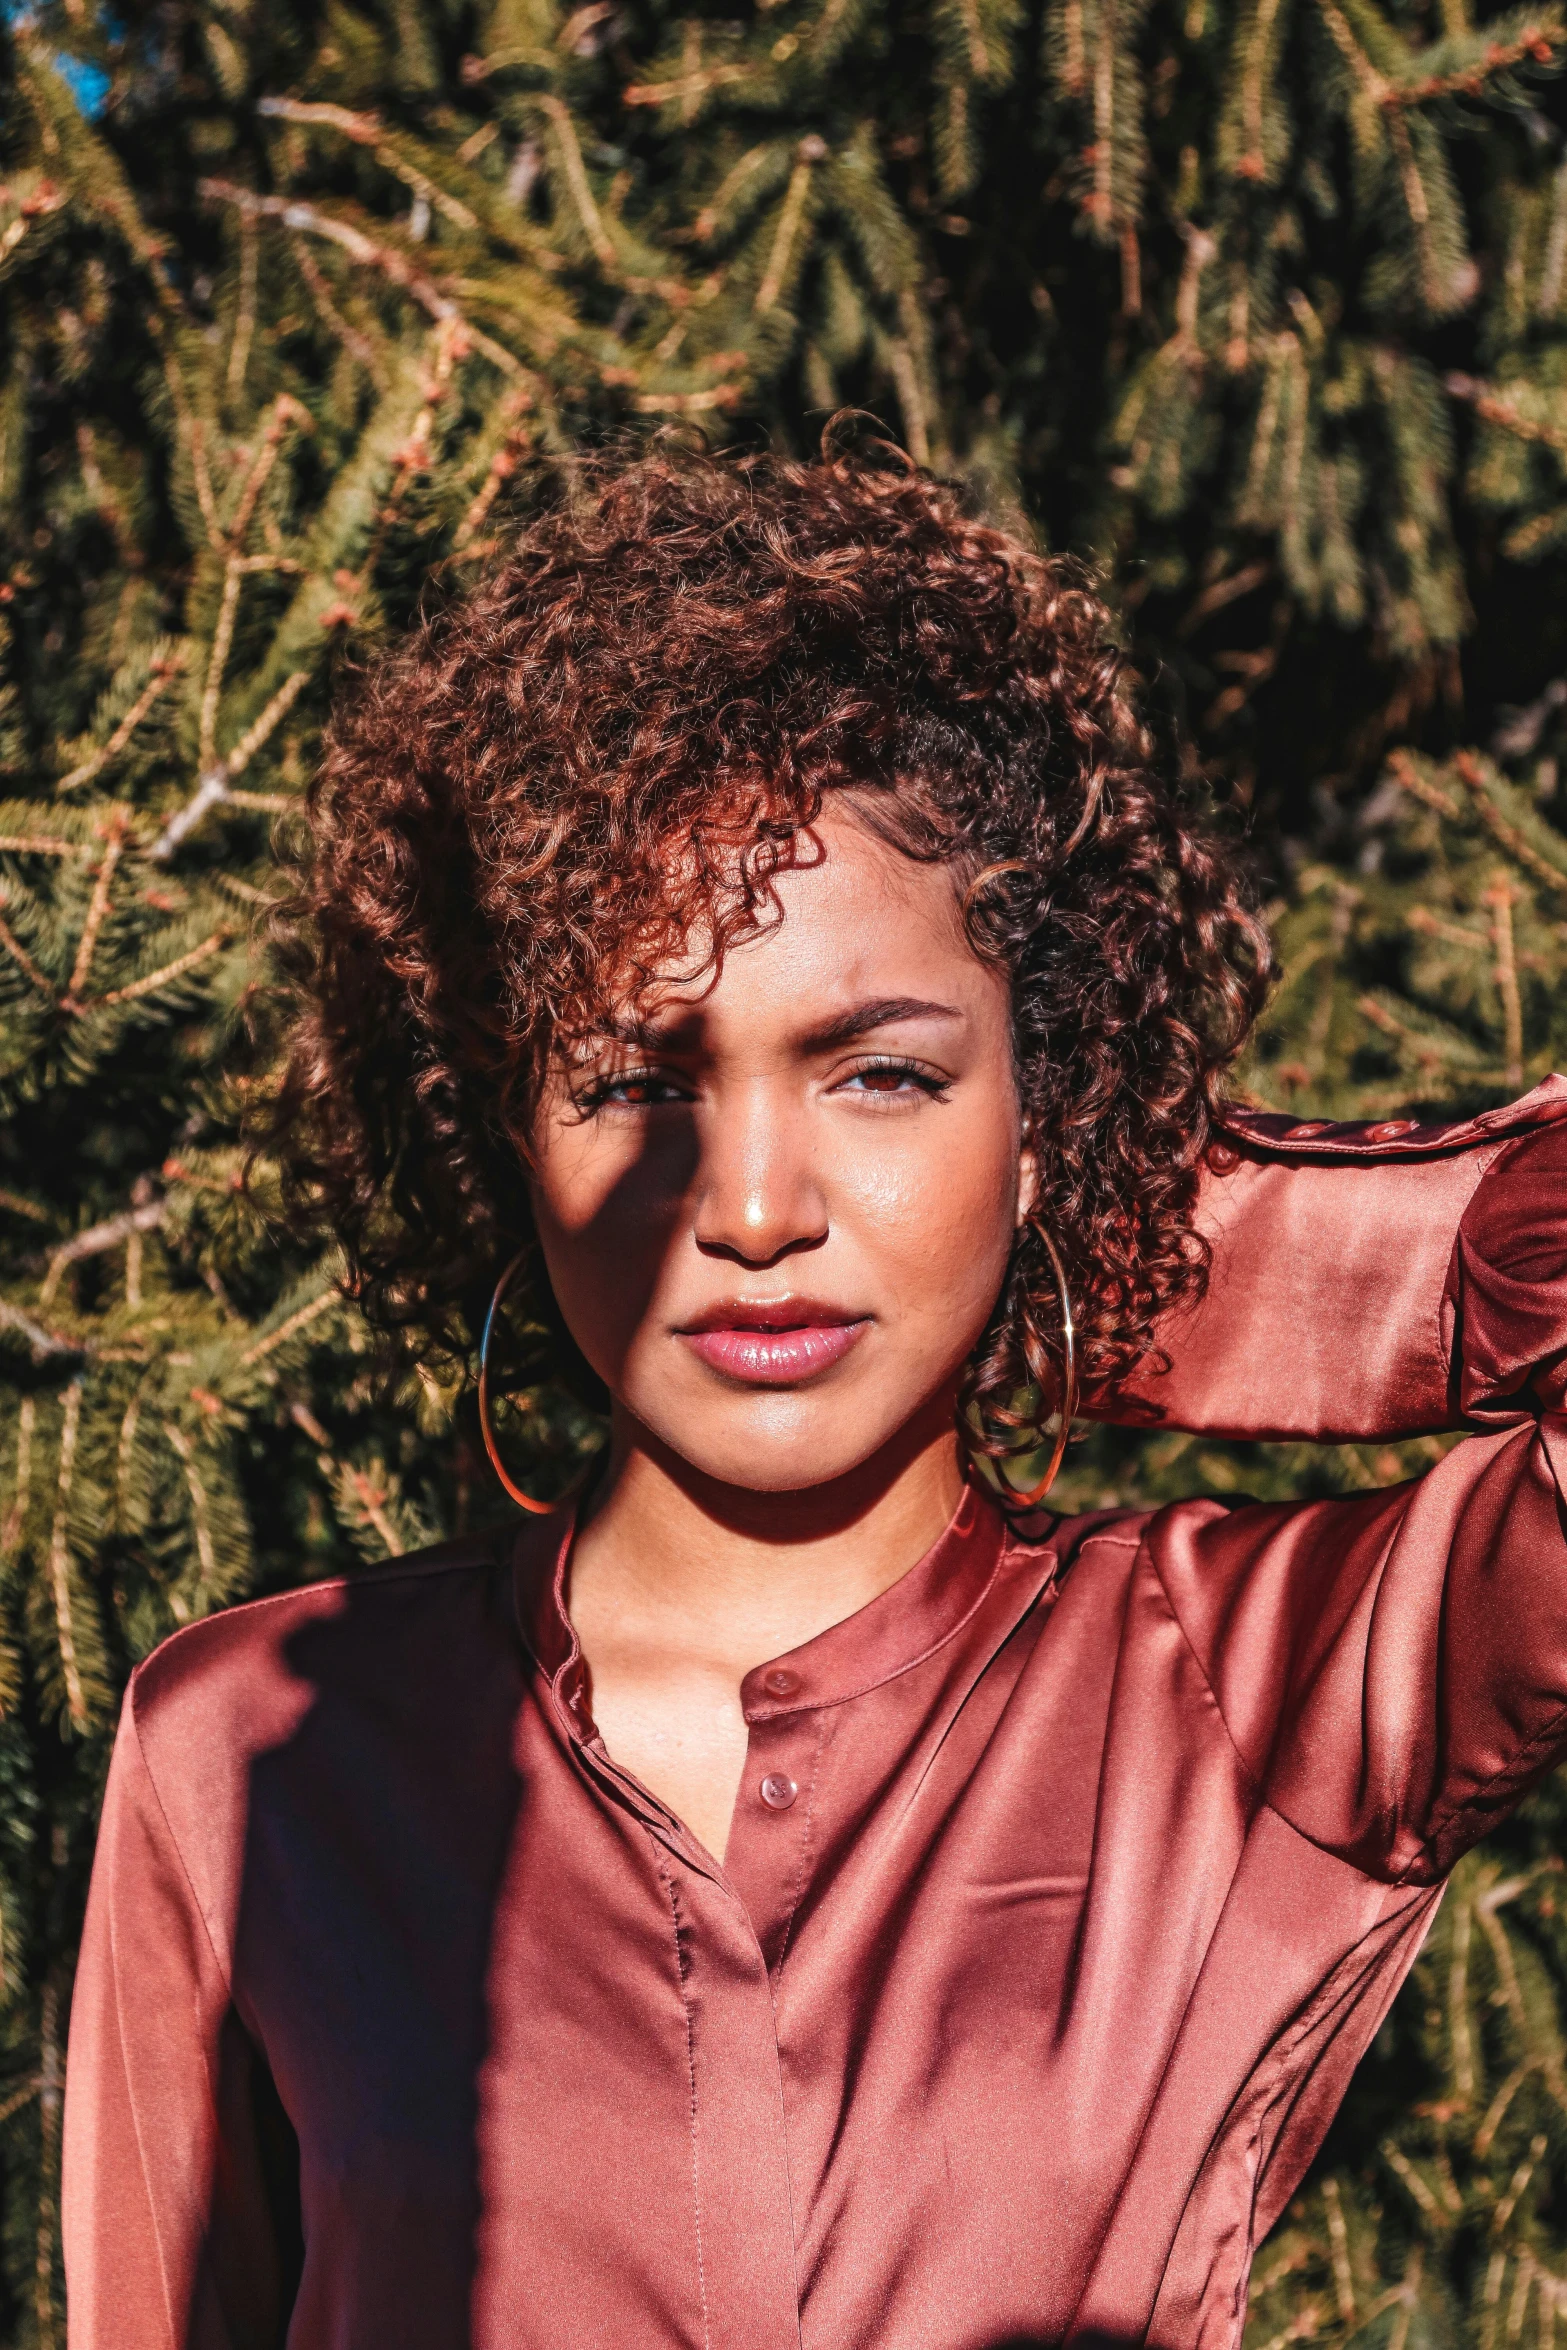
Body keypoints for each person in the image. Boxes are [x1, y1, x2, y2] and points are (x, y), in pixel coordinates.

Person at [61, 439, 1567, 2350]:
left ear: (1044, 1110)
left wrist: (1140, 1252)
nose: (755, 1207)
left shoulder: (1244, 1689)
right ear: (505, 1136)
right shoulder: (249, 1747)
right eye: (638, 1082)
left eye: (882, 1077)